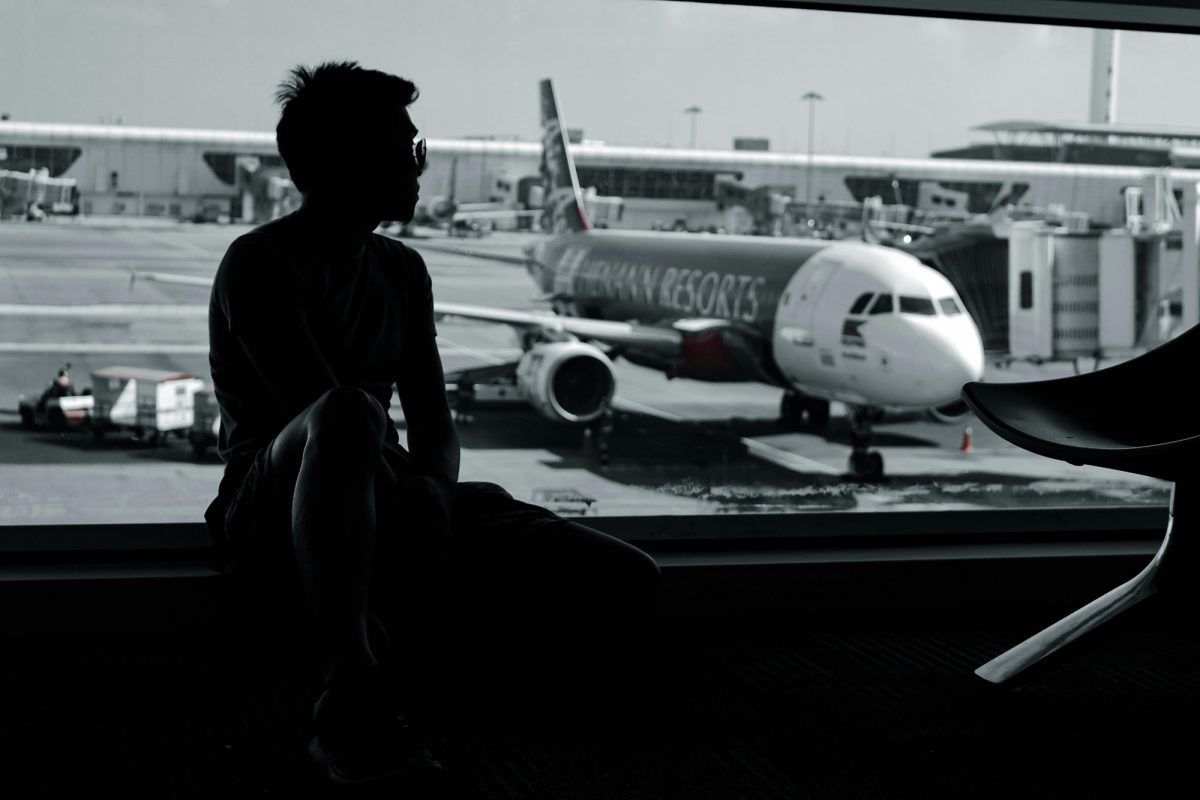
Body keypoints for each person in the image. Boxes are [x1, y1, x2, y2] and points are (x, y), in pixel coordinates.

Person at [203, 61, 661, 790]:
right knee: (349, 412)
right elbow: (320, 414)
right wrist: (420, 503)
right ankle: (348, 687)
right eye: (408, 150)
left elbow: (433, 422)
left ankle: (407, 653)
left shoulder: (402, 270)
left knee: (633, 580)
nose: (422, 168)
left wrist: (437, 494)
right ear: (346, 162)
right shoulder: (260, 265)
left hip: (390, 489)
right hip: (273, 507)